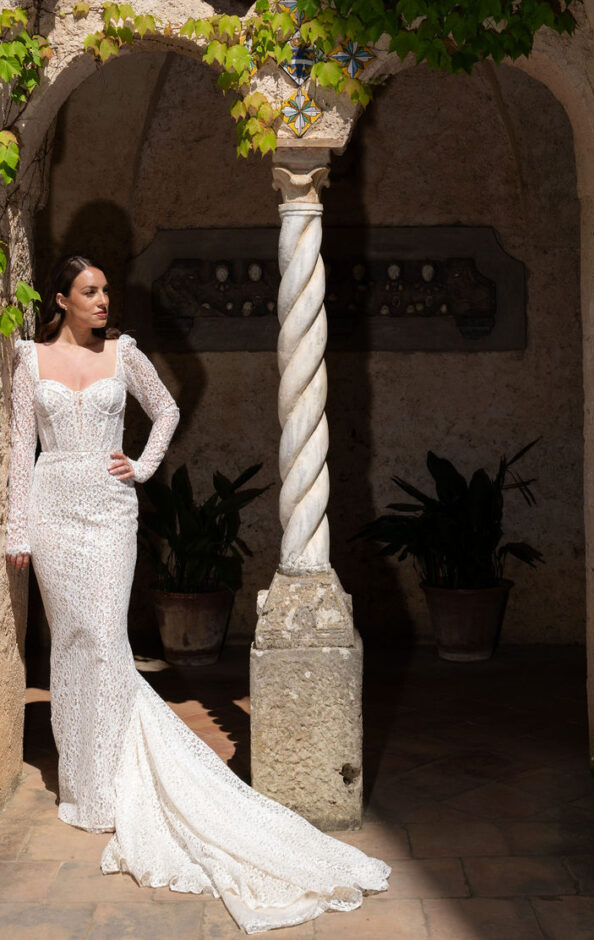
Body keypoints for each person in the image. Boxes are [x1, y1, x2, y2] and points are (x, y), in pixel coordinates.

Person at [5, 254, 390, 933]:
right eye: (90, 292)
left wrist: (143, 466)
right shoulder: (28, 361)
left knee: (104, 636)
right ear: (60, 300)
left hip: (111, 511)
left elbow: (167, 408)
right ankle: (86, 789)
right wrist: (16, 526)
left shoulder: (124, 353)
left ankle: (129, 782)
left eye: (106, 291)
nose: (103, 301)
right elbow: (19, 446)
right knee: (70, 644)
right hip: (53, 511)